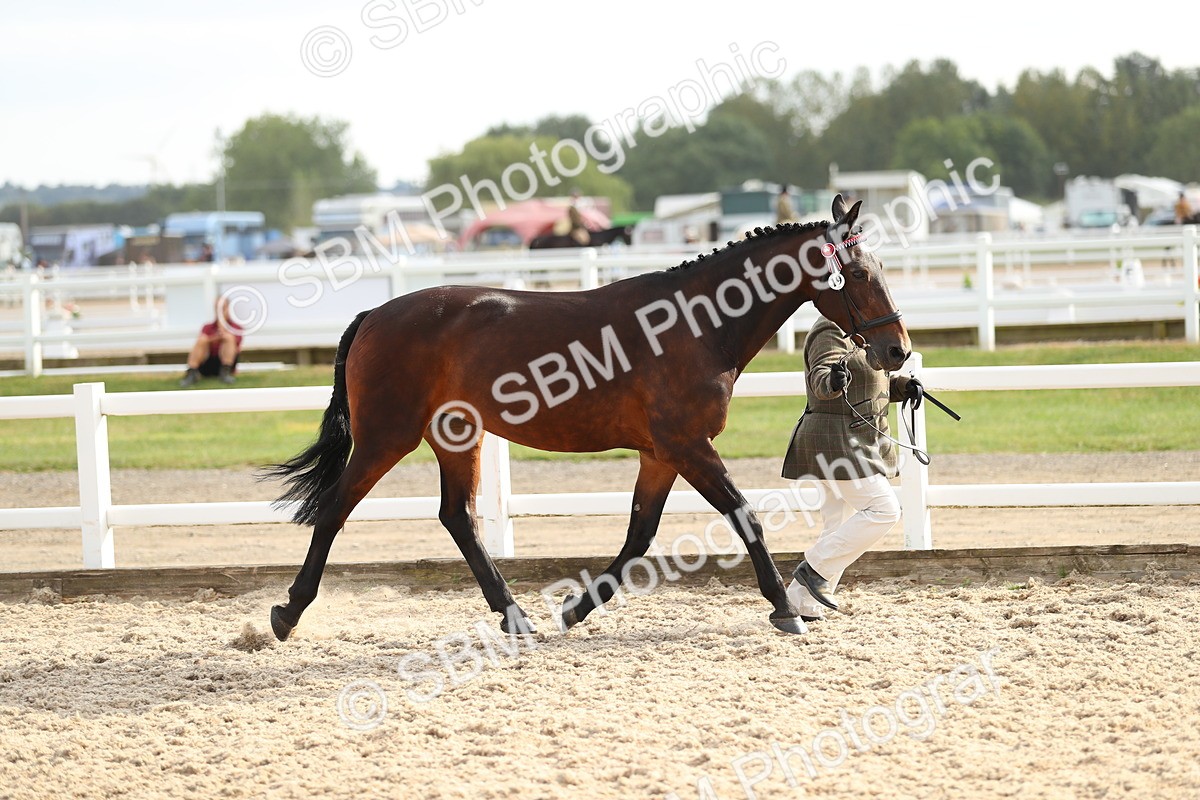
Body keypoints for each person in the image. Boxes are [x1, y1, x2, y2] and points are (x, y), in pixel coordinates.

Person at [781, 314, 923, 621]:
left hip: (852, 439)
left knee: (837, 524)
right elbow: (821, 378)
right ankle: (814, 567)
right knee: (884, 509)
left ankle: (800, 604)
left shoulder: (865, 332)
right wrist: (831, 380)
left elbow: (868, 382)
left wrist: (901, 387)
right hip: (836, 441)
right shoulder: (830, 329)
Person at [179, 297, 243, 387]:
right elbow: (201, 343)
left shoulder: (236, 328)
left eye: (222, 308)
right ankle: (192, 373)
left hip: (224, 361)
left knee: (229, 337)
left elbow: (236, 345)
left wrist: (222, 324)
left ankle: (225, 372)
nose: (219, 311)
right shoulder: (207, 327)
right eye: (217, 308)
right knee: (202, 340)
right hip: (208, 362)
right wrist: (216, 338)